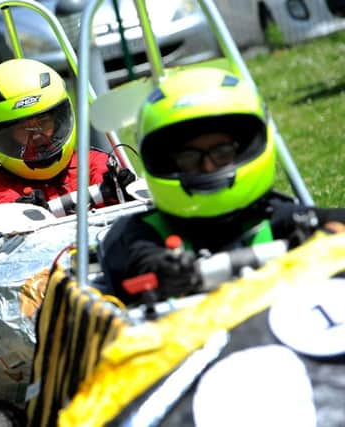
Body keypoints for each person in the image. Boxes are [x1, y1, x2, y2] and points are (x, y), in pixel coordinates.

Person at [98, 67, 345, 305]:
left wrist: (325, 236)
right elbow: (134, 258)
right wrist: (165, 271)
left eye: (222, 152)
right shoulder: (140, 233)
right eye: (189, 157)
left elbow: (327, 219)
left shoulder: (271, 215)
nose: (207, 167)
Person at [0, 58, 134, 213]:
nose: (37, 136)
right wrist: (20, 214)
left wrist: (125, 190)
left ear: (59, 120)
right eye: (23, 129)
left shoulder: (92, 164)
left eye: (43, 122)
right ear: (5, 137)